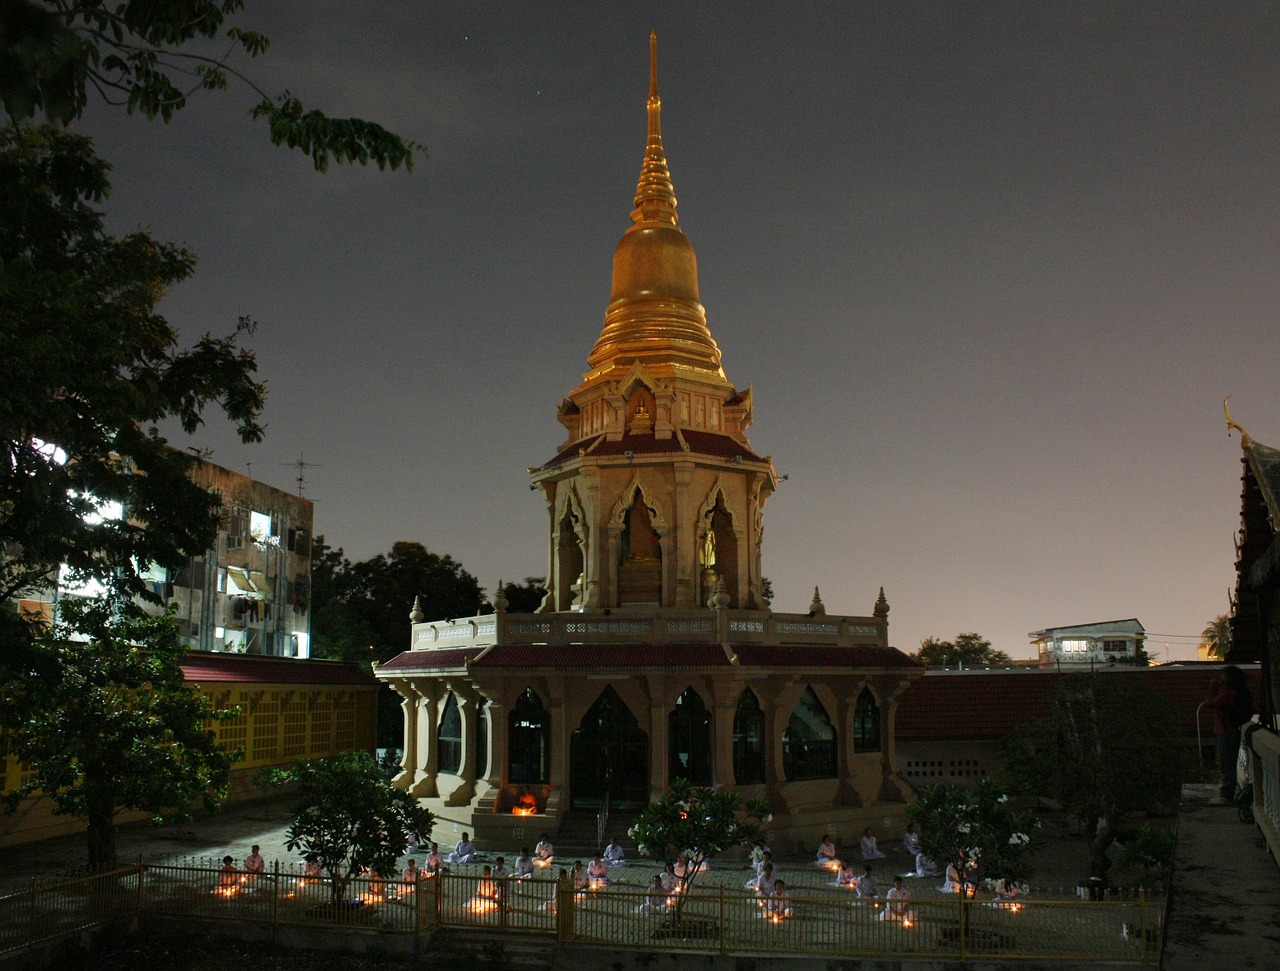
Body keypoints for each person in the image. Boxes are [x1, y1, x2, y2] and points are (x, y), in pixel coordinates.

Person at [1208, 665, 1254, 803]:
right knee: (1228, 762)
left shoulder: (1229, 695)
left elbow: (1211, 703)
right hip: (1230, 731)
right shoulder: (1236, 693)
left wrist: (1212, 688)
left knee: (1227, 763)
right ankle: (1227, 792)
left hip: (1226, 732)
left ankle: (1226, 794)